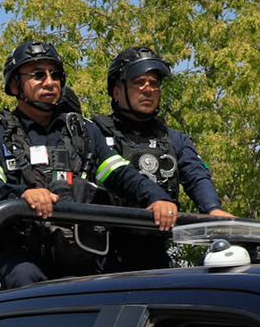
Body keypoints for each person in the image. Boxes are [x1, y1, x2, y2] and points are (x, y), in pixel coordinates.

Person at [0, 41, 178, 290]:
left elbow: (120, 173)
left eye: (55, 75)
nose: (50, 82)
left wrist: (157, 198)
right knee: (26, 280)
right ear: (14, 85)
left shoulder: (84, 130)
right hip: (24, 250)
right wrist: (23, 194)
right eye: (38, 75)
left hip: (82, 249)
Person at [94, 46, 231, 272]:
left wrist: (212, 209)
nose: (148, 89)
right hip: (104, 257)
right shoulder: (96, 133)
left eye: (154, 83)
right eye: (139, 82)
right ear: (117, 92)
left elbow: (196, 176)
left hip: (156, 252)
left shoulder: (174, 139)